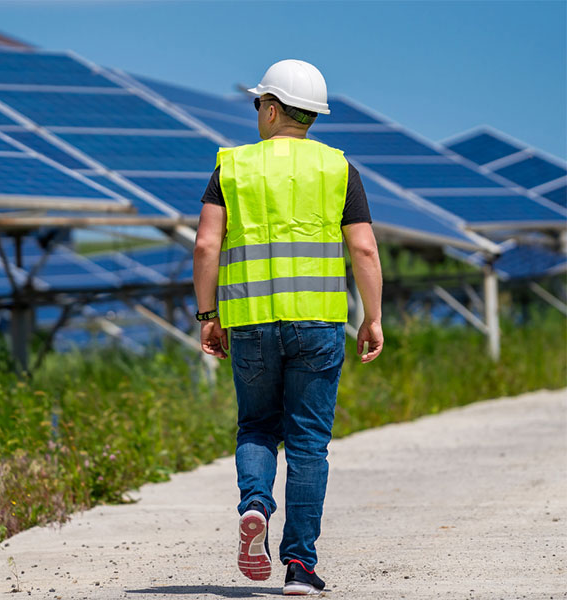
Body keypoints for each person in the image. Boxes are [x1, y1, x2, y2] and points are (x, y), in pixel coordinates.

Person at [193, 59, 383, 595]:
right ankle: (299, 566)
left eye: (258, 104)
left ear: (271, 108)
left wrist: (208, 316)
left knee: (257, 427)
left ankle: (254, 505)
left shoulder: (231, 168)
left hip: (250, 322)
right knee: (307, 443)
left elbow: (207, 244)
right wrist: (373, 317)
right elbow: (364, 247)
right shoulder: (338, 168)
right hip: (319, 324)